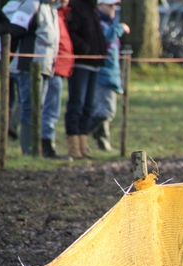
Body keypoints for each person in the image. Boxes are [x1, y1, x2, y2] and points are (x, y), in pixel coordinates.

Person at [3, 0, 59, 156]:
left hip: (46, 67)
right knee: (29, 107)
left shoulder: (51, 8)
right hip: (28, 66)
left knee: (38, 108)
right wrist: (9, 59)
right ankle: (28, 149)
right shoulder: (32, 4)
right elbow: (15, 30)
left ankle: (35, 147)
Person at [64, 0, 107, 159]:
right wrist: (85, 50)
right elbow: (72, 33)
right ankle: (73, 147)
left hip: (94, 64)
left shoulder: (91, 8)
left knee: (89, 106)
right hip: (81, 64)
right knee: (77, 104)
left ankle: (83, 146)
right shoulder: (76, 7)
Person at [90, 0, 130, 152]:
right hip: (103, 74)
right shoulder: (100, 24)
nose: (113, 9)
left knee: (103, 110)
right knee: (106, 111)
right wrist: (119, 28)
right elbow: (105, 39)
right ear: (99, 6)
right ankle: (82, 132)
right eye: (110, 5)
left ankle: (103, 143)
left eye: (114, 5)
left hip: (110, 74)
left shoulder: (108, 23)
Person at [40, 0, 73, 159]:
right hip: (53, 67)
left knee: (51, 109)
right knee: (49, 110)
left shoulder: (59, 15)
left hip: (59, 68)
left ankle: (46, 144)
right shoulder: (48, 12)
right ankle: (46, 147)